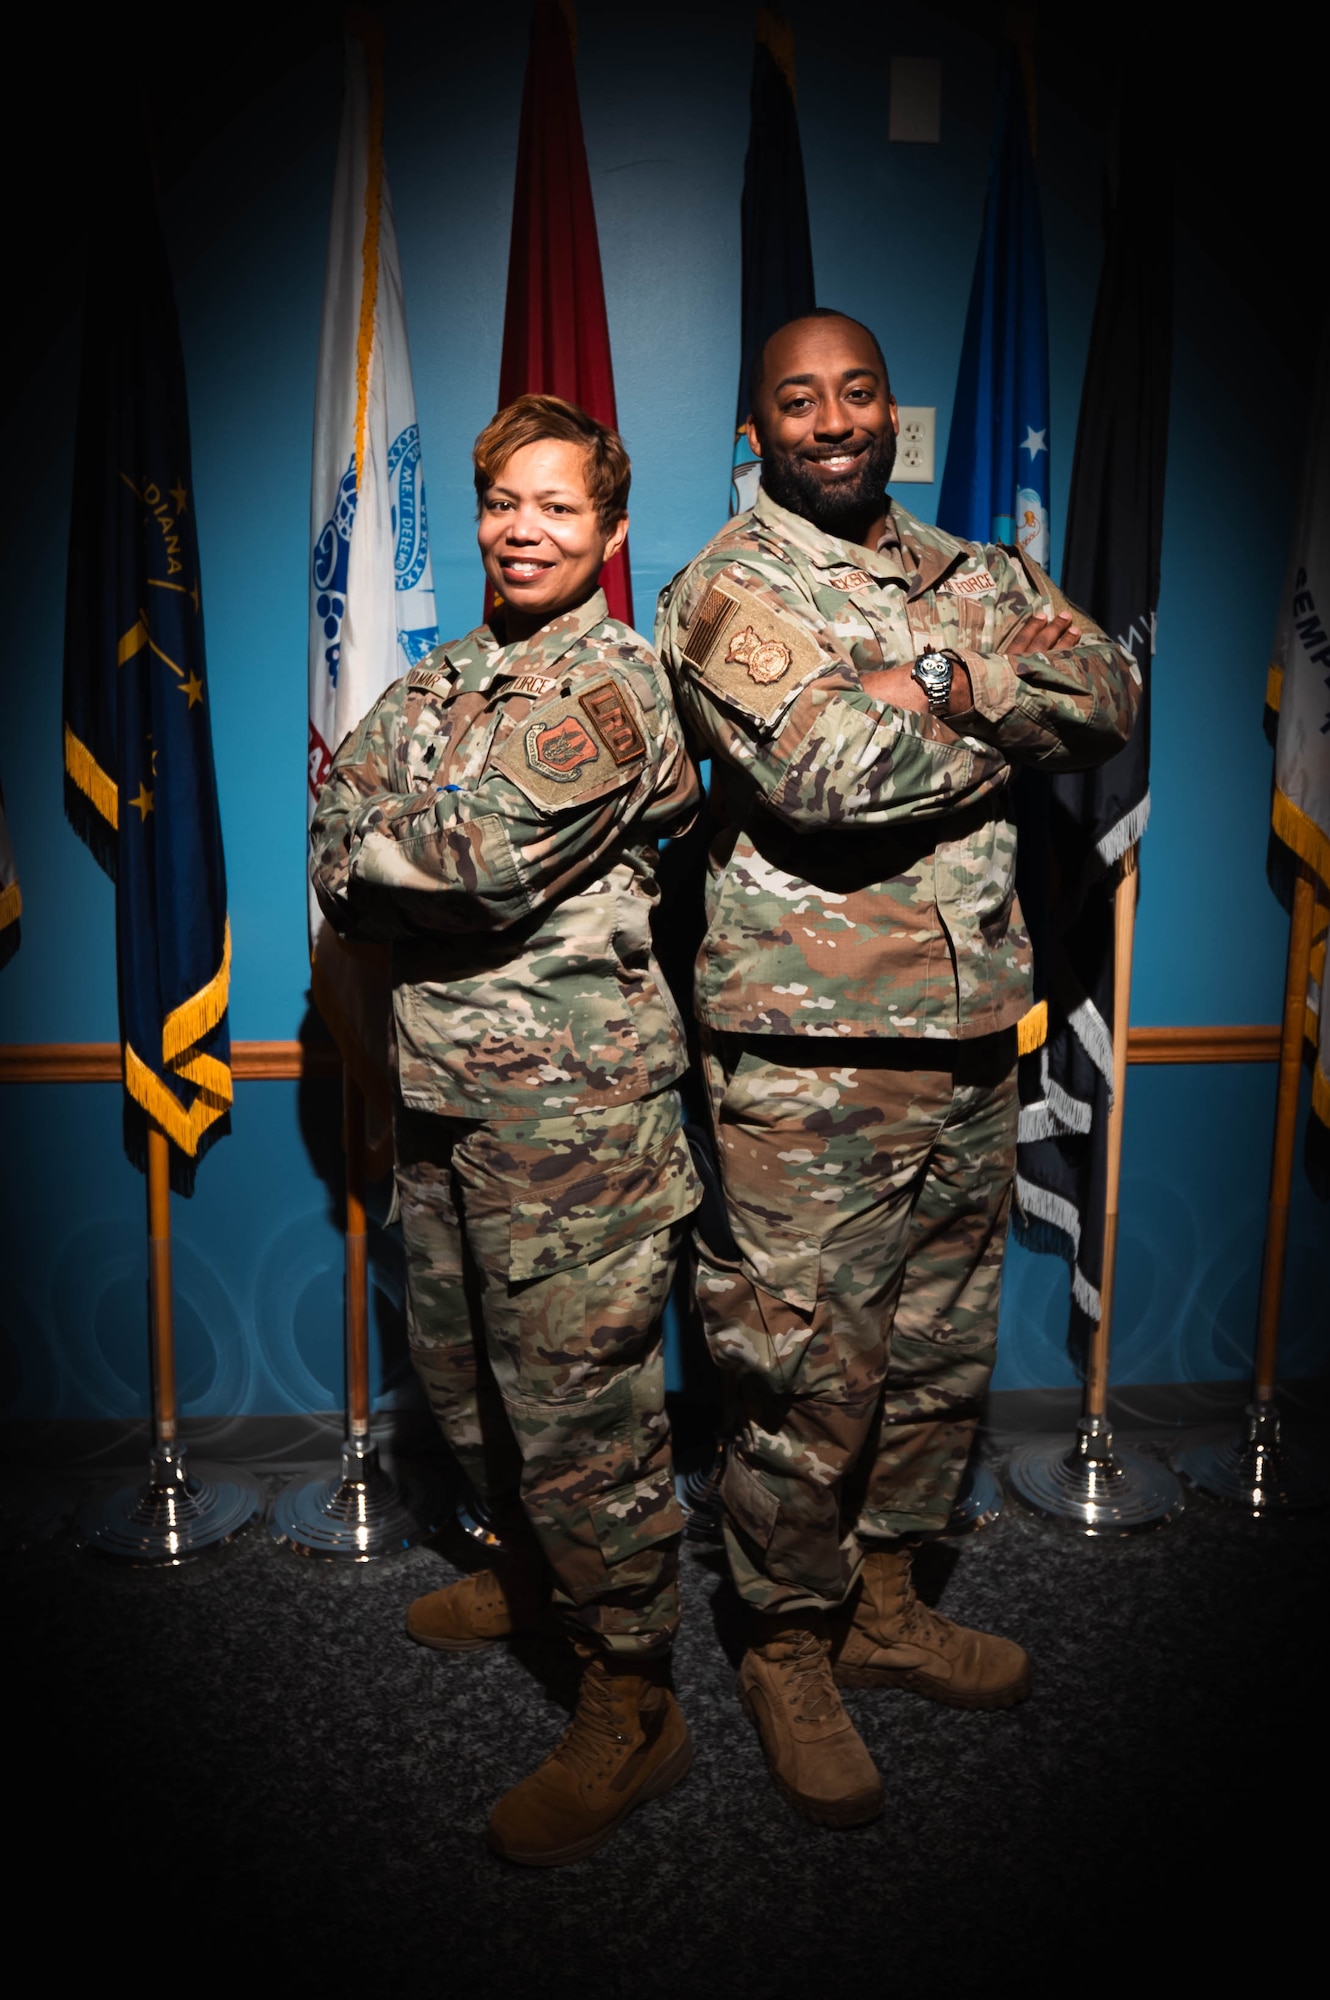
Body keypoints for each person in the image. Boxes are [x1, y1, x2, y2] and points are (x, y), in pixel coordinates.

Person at [655, 310, 1141, 1827]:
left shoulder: (972, 574)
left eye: (853, 392)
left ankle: (880, 1605)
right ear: (759, 430)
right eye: (796, 401)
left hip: (967, 1039)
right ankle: (784, 1646)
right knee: (799, 1370)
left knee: (933, 1357)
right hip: (807, 1062)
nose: (830, 420)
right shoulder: (726, 585)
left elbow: (1110, 696)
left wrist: (930, 677)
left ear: (889, 411)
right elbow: (825, 777)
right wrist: (999, 704)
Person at [310, 394, 702, 1866]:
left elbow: (472, 864)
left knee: (582, 1428)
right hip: (439, 1099)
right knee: (466, 1388)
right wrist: (385, 844)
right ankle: (531, 1581)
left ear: (604, 534)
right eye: (499, 503)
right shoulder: (442, 681)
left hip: (573, 1126)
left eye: (554, 506)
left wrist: (390, 847)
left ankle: (632, 1702)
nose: (520, 529)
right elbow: (333, 818)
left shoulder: (617, 687)